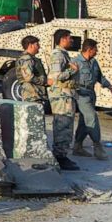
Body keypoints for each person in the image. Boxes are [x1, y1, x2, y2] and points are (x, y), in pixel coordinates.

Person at [72, 38, 112, 161]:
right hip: (81, 94)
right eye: (95, 49)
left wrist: (110, 87)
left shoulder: (93, 62)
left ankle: (77, 146)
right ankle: (98, 147)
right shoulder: (75, 62)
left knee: (84, 121)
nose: (97, 51)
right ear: (89, 49)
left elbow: (99, 77)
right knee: (91, 117)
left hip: (91, 93)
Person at [48, 29, 80, 171]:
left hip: (66, 95)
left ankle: (61, 155)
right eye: (69, 38)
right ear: (62, 39)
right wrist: (73, 70)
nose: (71, 40)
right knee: (63, 125)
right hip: (62, 96)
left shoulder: (63, 54)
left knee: (66, 125)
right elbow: (56, 76)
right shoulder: (58, 55)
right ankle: (60, 157)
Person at [15, 35, 47, 104]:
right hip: (32, 95)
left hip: (36, 93)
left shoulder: (31, 58)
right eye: (37, 44)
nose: (39, 47)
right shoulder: (26, 58)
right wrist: (44, 81)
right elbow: (29, 77)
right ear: (30, 45)